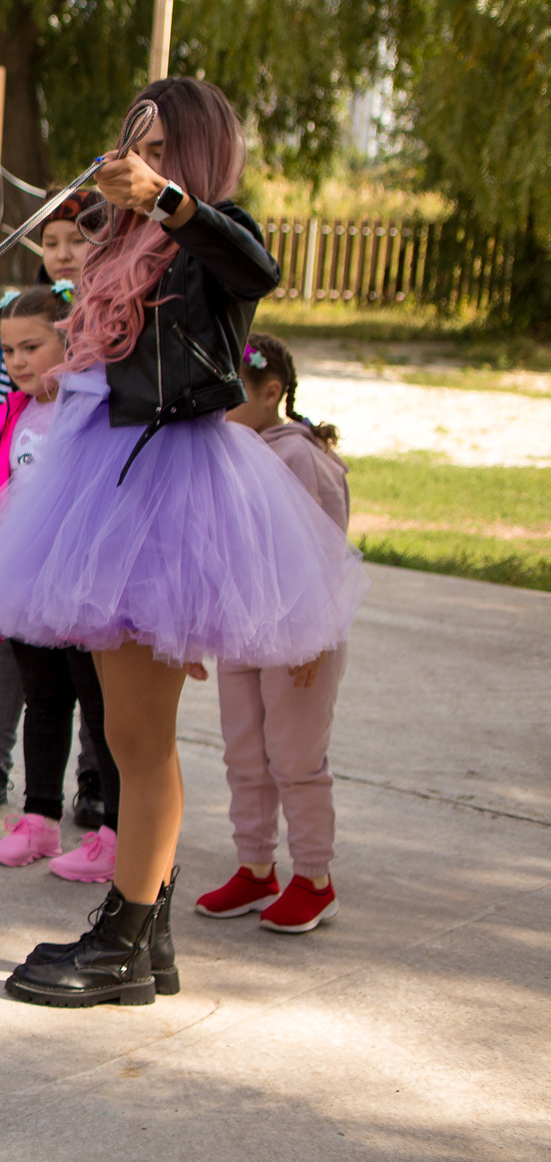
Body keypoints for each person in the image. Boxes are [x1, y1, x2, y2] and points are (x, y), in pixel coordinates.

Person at [0, 77, 367, 1008]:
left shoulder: (212, 235)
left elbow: (256, 268)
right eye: (136, 146)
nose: (143, 164)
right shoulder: (120, 248)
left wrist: (166, 198)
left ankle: (126, 937)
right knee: (128, 732)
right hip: (105, 473)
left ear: (198, 155)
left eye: (163, 149)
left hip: (163, 487)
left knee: (138, 734)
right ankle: (147, 932)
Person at [0, 285, 116, 876]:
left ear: (68, 342)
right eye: (9, 351)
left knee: (99, 708)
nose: (18, 362)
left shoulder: (92, 409)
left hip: (78, 580)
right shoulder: (8, 415)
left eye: (32, 347)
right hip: (23, 579)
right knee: (45, 701)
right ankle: (40, 820)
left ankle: (115, 833)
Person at [196, 332, 352, 933]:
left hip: (299, 636)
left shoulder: (300, 457)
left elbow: (327, 552)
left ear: (271, 392)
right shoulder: (227, 451)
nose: (219, 404)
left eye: (231, 392)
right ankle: (255, 868)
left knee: (296, 759)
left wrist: (316, 635)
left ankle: (314, 879)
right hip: (243, 631)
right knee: (245, 756)